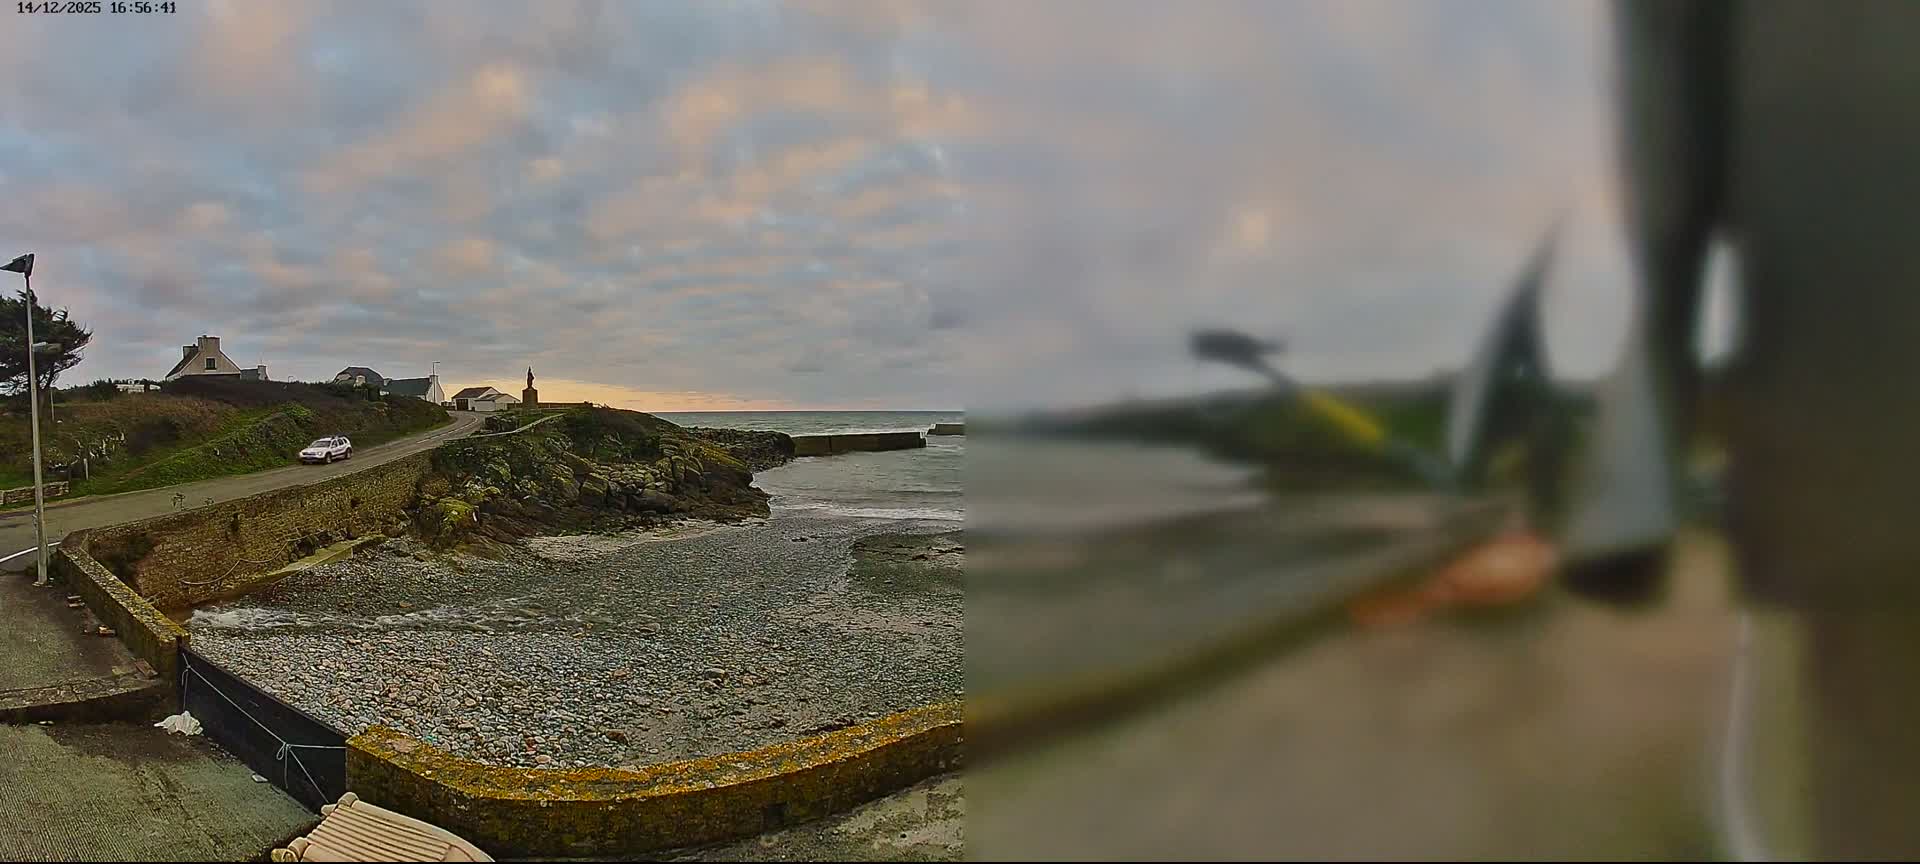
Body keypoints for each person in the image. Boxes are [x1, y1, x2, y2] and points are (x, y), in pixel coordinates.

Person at [1453, 2, 1920, 857]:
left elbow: (1667, 139)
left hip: (1859, 421)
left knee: (1878, 782)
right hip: (1859, 431)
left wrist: (1645, 424)